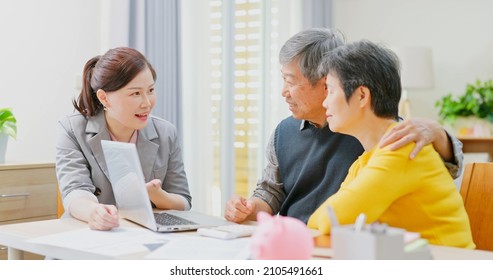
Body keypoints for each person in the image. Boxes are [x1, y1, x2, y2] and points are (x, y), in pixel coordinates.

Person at [224, 28, 463, 224]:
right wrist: (249, 208)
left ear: (325, 82)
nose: (283, 92)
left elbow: (441, 168)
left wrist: (439, 135)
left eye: (290, 81)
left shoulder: (374, 133)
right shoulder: (283, 133)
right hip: (299, 243)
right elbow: (271, 191)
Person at [307, 40, 474, 248]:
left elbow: (331, 218)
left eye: (330, 90)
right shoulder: (364, 161)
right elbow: (321, 220)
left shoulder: (401, 147)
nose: (325, 102)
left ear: (361, 96)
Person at [56, 47, 191, 231]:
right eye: (135, 93)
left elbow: (183, 201)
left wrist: (157, 195)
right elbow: (74, 192)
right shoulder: (73, 130)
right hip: (86, 233)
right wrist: (94, 212)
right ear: (104, 98)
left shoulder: (166, 133)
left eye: (150, 90)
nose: (147, 103)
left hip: (142, 239)